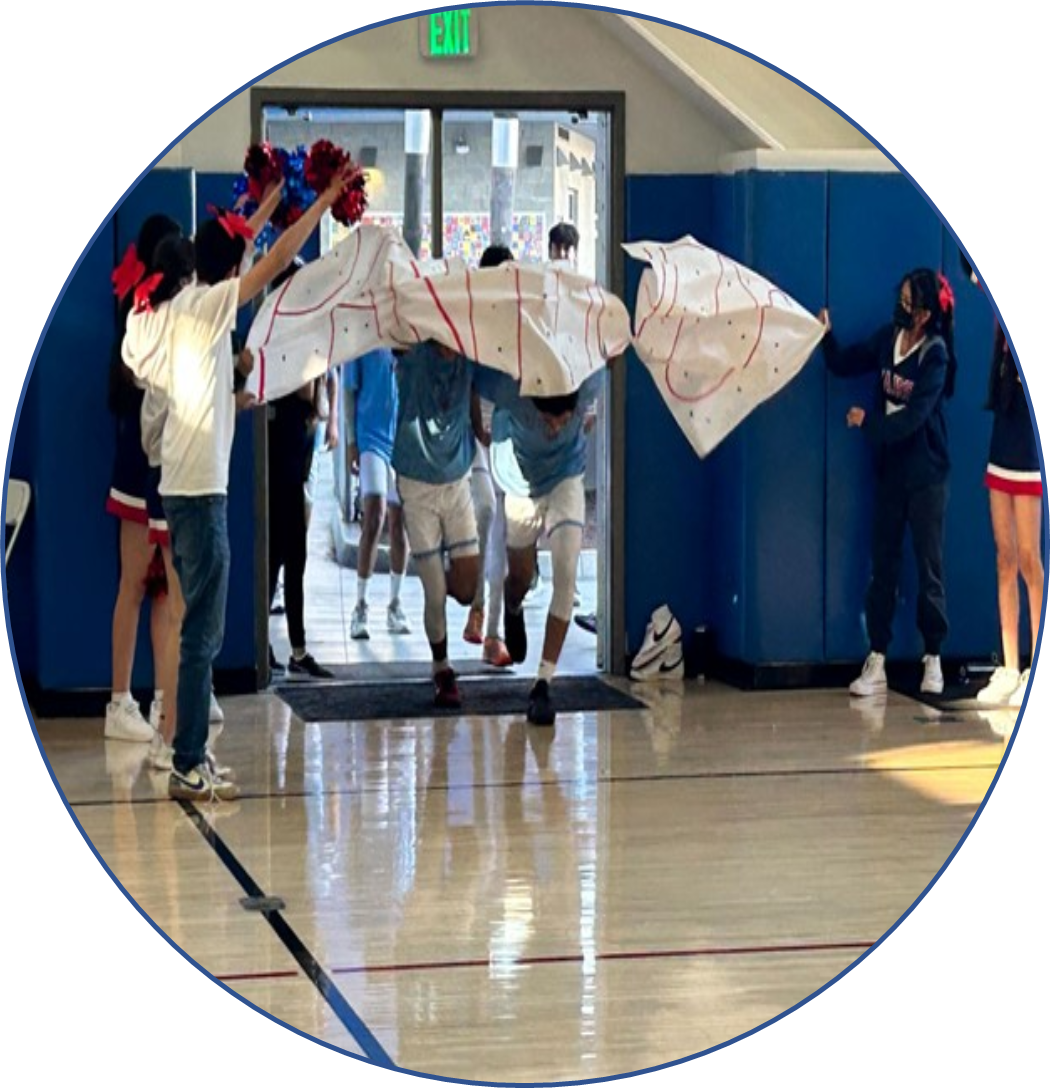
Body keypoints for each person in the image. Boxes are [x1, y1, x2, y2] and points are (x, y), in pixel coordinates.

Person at [123, 167, 355, 801]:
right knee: (202, 632)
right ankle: (187, 758)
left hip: (183, 485)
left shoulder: (169, 311)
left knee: (197, 625)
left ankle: (187, 752)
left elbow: (242, 246)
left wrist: (271, 199)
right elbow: (276, 257)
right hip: (200, 492)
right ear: (220, 274)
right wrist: (322, 205)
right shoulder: (205, 305)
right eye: (238, 266)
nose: (244, 273)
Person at [820, 267, 958, 698]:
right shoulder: (886, 341)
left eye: (908, 301)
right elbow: (845, 363)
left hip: (926, 475)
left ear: (924, 313)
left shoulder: (935, 356)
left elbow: (914, 419)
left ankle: (933, 656)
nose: (900, 307)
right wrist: (825, 335)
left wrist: (868, 423)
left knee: (928, 565)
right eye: (898, 297)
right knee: (884, 564)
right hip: (891, 474)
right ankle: (876, 655)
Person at [474, 363, 605, 726]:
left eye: (565, 421)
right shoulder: (509, 390)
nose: (556, 428)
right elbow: (471, 369)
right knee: (521, 576)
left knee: (565, 571)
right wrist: (476, 426)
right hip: (520, 482)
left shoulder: (588, 382)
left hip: (566, 475)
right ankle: (512, 604)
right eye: (549, 421)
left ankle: (543, 683)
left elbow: (608, 356)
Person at [105, 214, 183, 745]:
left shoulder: (173, 316)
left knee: (163, 592)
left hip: (169, 469)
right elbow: (124, 394)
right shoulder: (135, 318)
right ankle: (118, 702)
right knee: (134, 584)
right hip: (138, 470)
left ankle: (165, 699)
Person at [961, 256, 1043, 706]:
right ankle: (1010, 666)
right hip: (1003, 436)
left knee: (1031, 558)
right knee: (1005, 556)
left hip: (1029, 447)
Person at [391, 339, 480, 708]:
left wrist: (479, 429)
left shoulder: (472, 350)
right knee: (433, 592)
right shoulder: (414, 356)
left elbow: (478, 387)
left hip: (457, 479)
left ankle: (440, 571)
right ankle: (442, 668)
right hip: (417, 482)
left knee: (465, 588)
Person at [265, 259, 335, 680]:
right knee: (287, 555)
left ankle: (294, 647)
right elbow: (310, 392)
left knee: (286, 556)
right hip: (285, 459)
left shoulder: (294, 334)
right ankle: (293, 647)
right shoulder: (285, 336)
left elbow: (319, 395)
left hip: (295, 455)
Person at [464, 244, 514, 668]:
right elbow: (468, 380)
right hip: (478, 435)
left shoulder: (517, 323)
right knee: (484, 513)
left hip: (509, 437)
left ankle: (492, 630)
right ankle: (478, 607)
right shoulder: (474, 323)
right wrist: (477, 424)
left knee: (502, 533)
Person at [345, 347, 411, 641]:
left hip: (402, 438)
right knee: (375, 516)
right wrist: (351, 440)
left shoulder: (404, 333)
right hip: (370, 435)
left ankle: (395, 604)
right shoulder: (362, 333)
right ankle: (360, 606)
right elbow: (349, 390)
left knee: (401, 522)